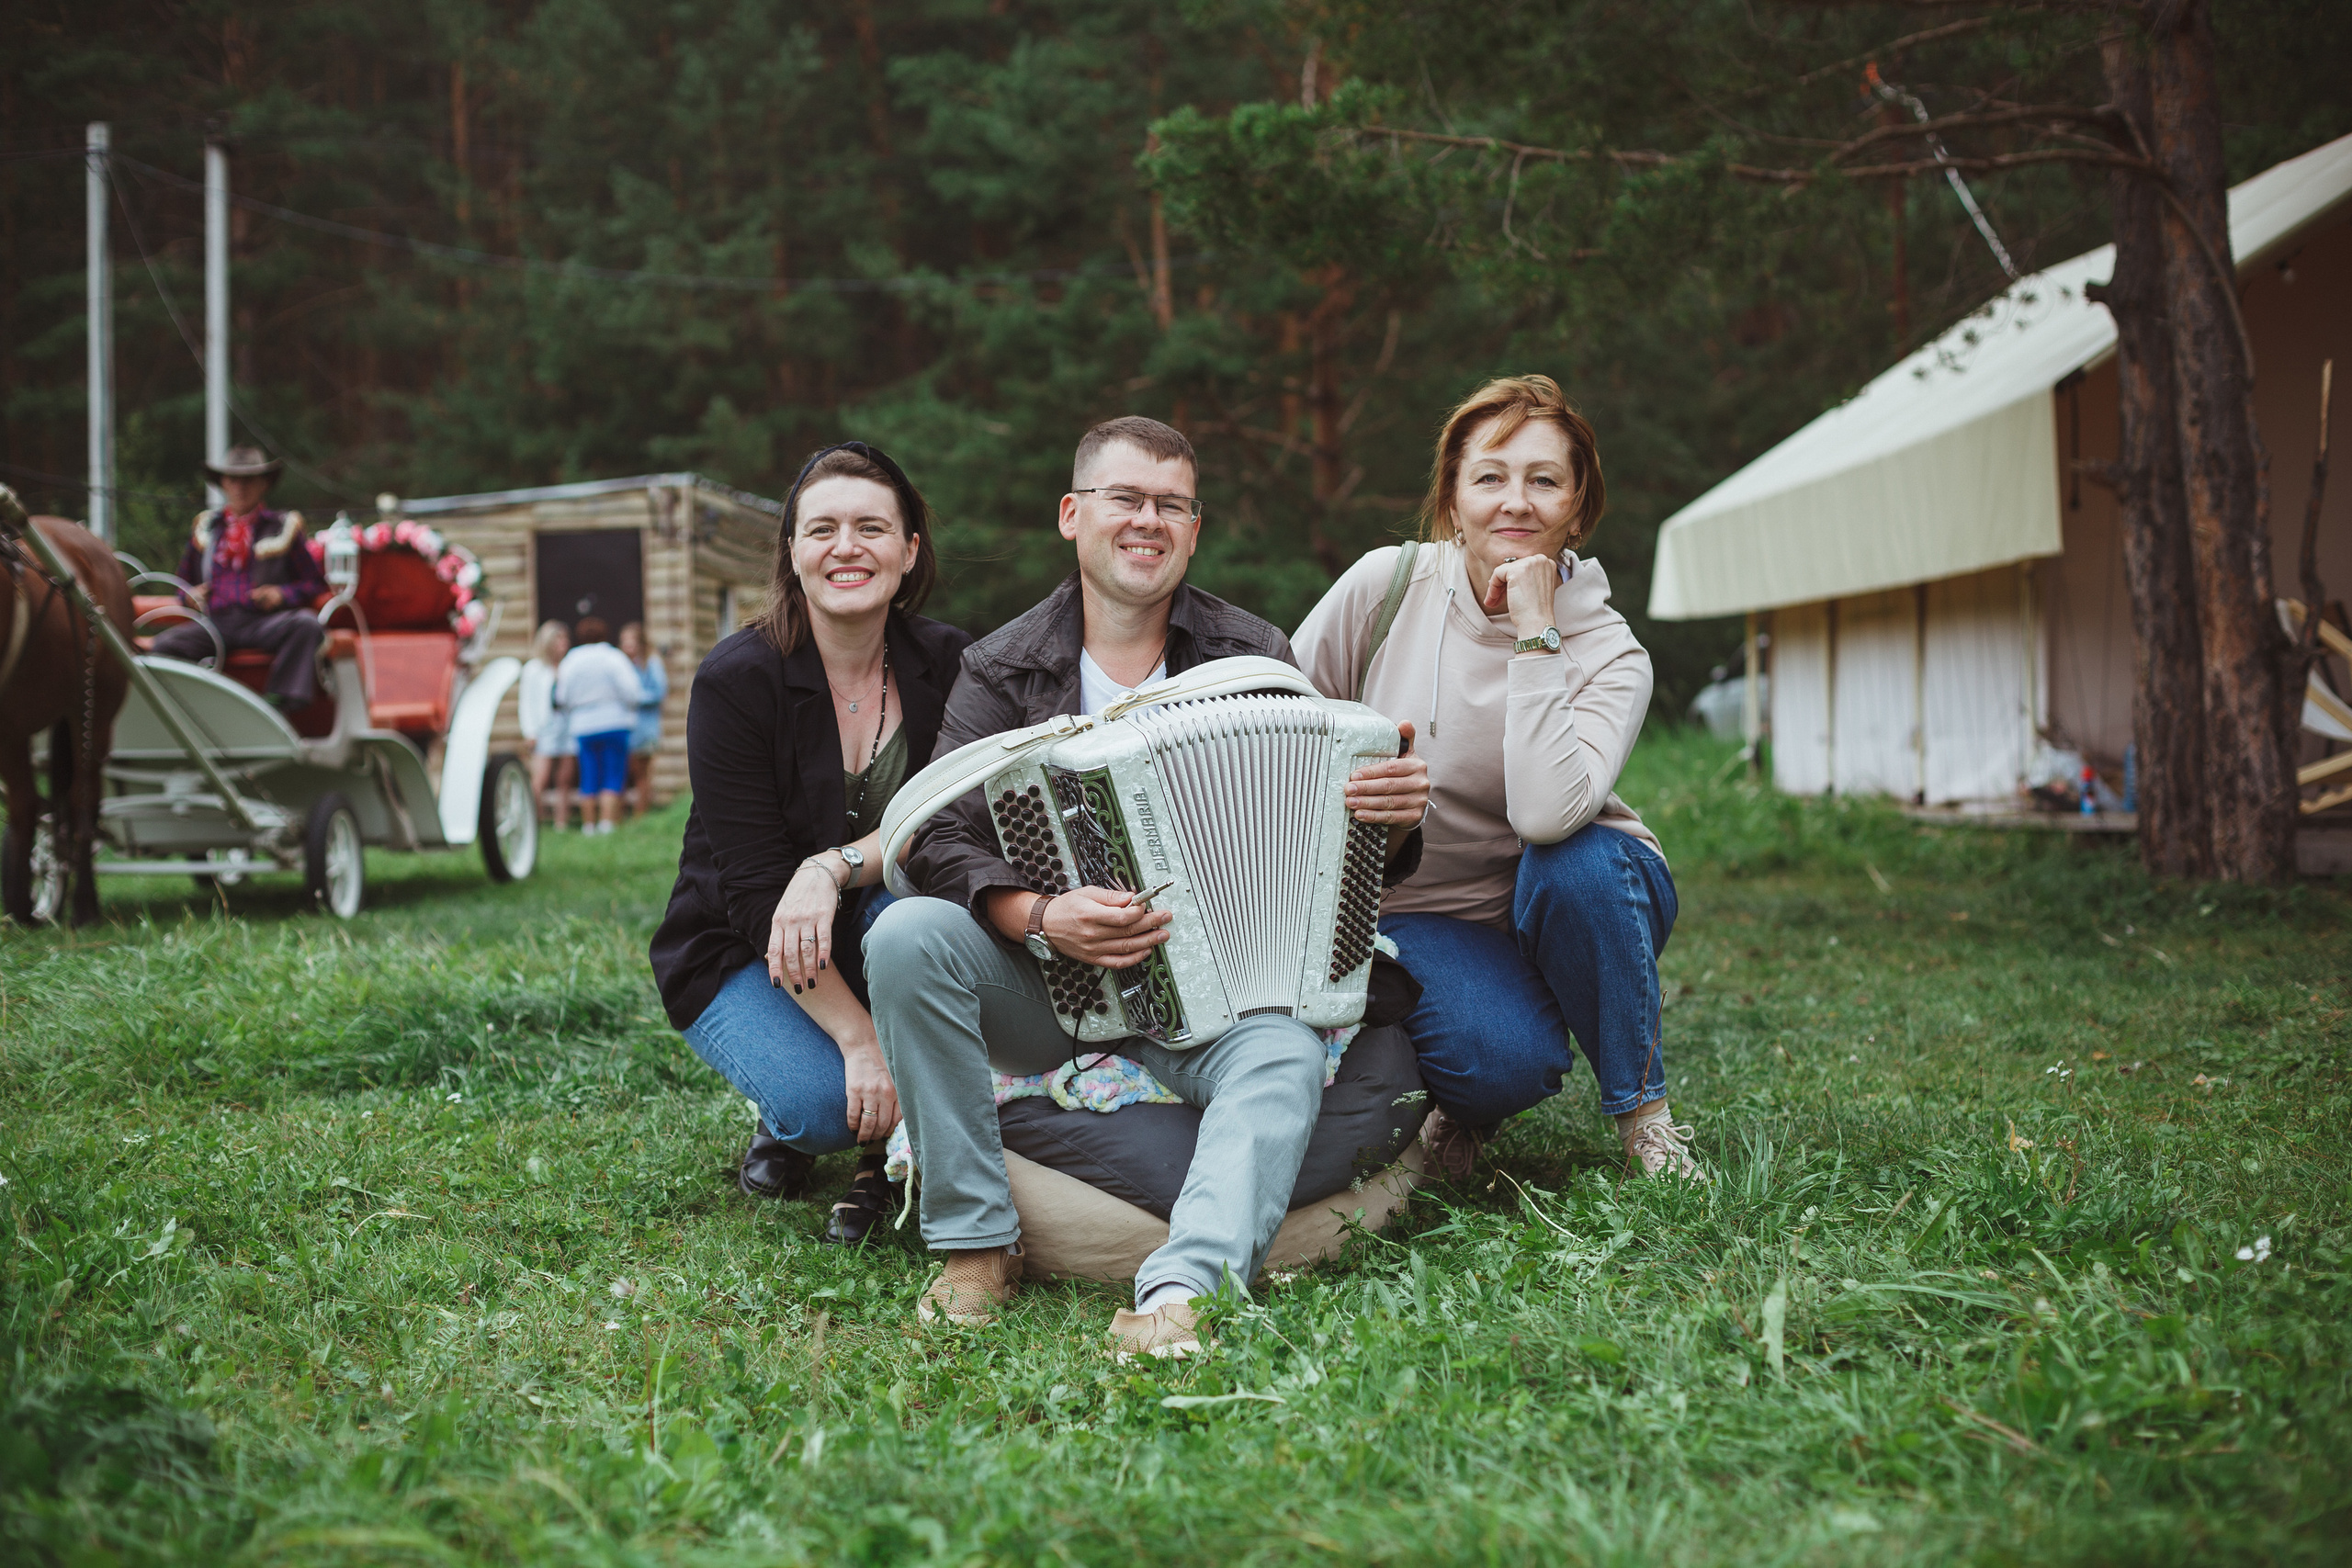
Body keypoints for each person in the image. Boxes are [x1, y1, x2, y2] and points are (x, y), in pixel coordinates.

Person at [865, 415, 1430, 1357]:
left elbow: (1326, 840)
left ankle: (1181, 1295)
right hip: (1048, 984)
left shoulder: (1252, 656)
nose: (1147, 521)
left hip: (1216, 995)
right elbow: (936, 835)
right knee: (901, 936)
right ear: (1072, 514)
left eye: (1171, 505)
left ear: (1195, 530)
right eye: (1125, 499)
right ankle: (977, 1246)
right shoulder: (1000, 667)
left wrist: (1392, 818)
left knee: (1285, 1054)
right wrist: (1039, 915)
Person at [1292, 375, 1701, 1181]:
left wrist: (1537, 631)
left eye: (1544, 480)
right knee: (1502, 1060)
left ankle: (1646, 1119)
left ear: (1577, 508)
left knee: (1575, 860)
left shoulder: (1614, 654)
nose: (1516, 501)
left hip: (1581, 892)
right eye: (1490, 477)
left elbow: (1548, 816)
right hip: (1426, 911)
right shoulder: (1385, 588)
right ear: (1452, 500)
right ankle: (1471, 1093)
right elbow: (1285, 723)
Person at [648, 442, 972, 1244]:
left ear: (909, 550)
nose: (846, 547)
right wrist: (861, 1041)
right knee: (824, 1104)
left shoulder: (955, 663)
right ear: (792, 551)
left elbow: (956, 826)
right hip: (742, 939)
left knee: (916, 893)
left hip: (884, 916)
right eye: (821, 528)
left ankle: (880, 1157)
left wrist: (832, 867)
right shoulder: (738, 679)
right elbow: (755, 890)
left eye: (871, 527)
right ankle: (793, 1116)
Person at [152, 446, 329, 708]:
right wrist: (191, 596)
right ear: (223, 483)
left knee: (307, 625)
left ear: (264, 484)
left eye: (249, 480)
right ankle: (187, 708)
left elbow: (313, 583)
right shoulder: (207, 528)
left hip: (262, 623)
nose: (240, 487)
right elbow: (182, 584)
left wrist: (281, 595)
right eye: (233, 480)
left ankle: (277, 704)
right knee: (163, 646)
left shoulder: (282, 526)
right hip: (216, 624)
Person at [555, 617, 642, 836]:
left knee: (589, 774)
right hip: (614, 721)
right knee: (613, 773)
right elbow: (631, 690)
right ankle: (607, 823)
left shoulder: (571, 660)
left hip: (583, 724)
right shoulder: (613, 657)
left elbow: (561, 696)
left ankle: (588, 825)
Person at [518, 619, 574, 827]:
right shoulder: (533, 669)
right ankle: (535, 821)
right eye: (558, 639)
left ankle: (561, 822)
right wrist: (529, 732)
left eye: (565, 639)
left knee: (565, 778)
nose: (563, 643)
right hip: (544, 728)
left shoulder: (569, 666)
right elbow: (526, 703)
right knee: (540, 777)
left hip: (567, 725)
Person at [619, 621, 668, 818]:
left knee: (641, 774)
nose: (627, 647)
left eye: (631, 642)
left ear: (640, 643)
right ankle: (624, 815)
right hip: (626, 728)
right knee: (626, 773)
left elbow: (658, 693)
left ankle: (641, 814)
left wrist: (635, 697)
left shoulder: (652, 663)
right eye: (624, 642)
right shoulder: (622, 665)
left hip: (645, 728)